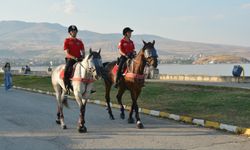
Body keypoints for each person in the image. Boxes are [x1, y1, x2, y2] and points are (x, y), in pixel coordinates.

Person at [63, 25, 85, 92]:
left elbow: (83, 51)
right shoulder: (67, 41)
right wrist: (74, 58)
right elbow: (67, 53)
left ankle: (88, 87)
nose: (74, 32)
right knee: (67, 71)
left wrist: (83, 56)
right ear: (70, 32)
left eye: (75, 31)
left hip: (79, 59)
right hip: (70, 59)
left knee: (88, 69)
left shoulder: (79, 41)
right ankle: (67, 86)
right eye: (73, 31)